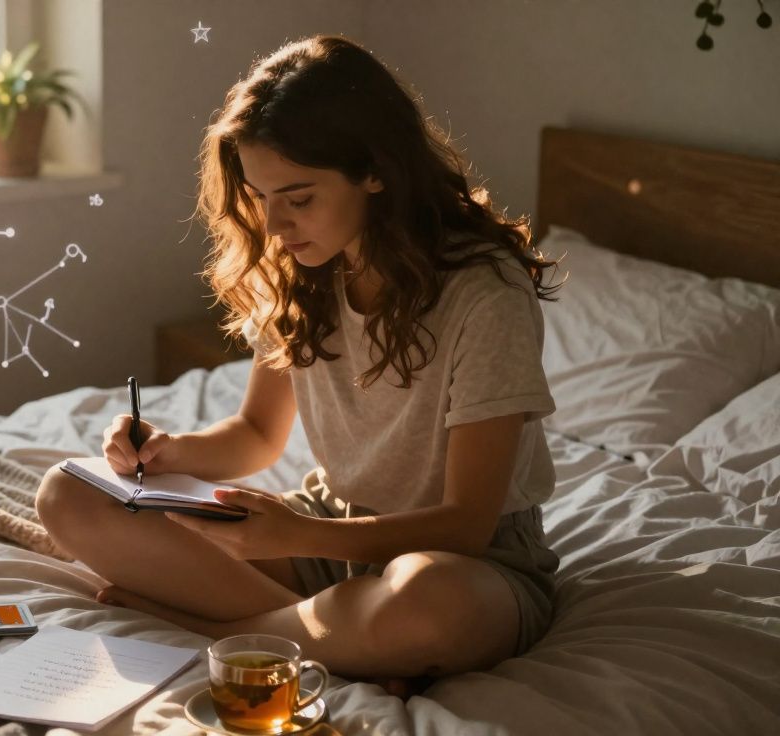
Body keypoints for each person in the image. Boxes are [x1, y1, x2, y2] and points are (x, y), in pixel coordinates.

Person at [35, 34, 562, 691]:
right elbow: (257, 436)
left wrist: (299, 535)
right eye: (261, 197)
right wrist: (169, 454)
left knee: (429, 607)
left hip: (465, 562)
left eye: (299, 197)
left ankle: (226, 630)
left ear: (375, 170)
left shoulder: (485, 294)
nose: (276, 224)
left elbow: (467, 523)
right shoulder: (306, 271)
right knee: (68, 493)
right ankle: (322, 637)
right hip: (329, 537)